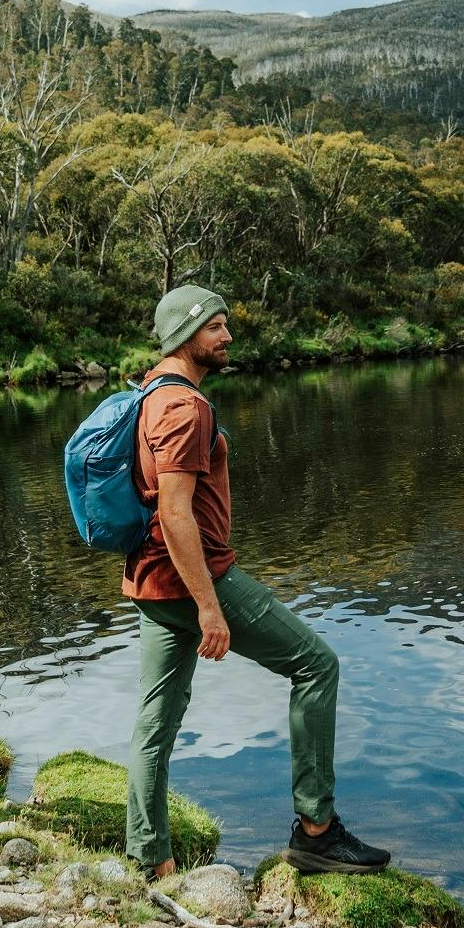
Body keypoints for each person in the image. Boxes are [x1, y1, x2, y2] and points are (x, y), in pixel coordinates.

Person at [123, 283, 392, 878]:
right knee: (316, 665)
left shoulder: (150, 393)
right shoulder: (185, 407)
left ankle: (150, 857)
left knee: (156, 720)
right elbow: (174, 513)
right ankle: (316, 831)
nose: (227, 336)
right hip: (194, 580)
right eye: (216, 325)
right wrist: (210, 608)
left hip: (149, 581)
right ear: (186, 334)